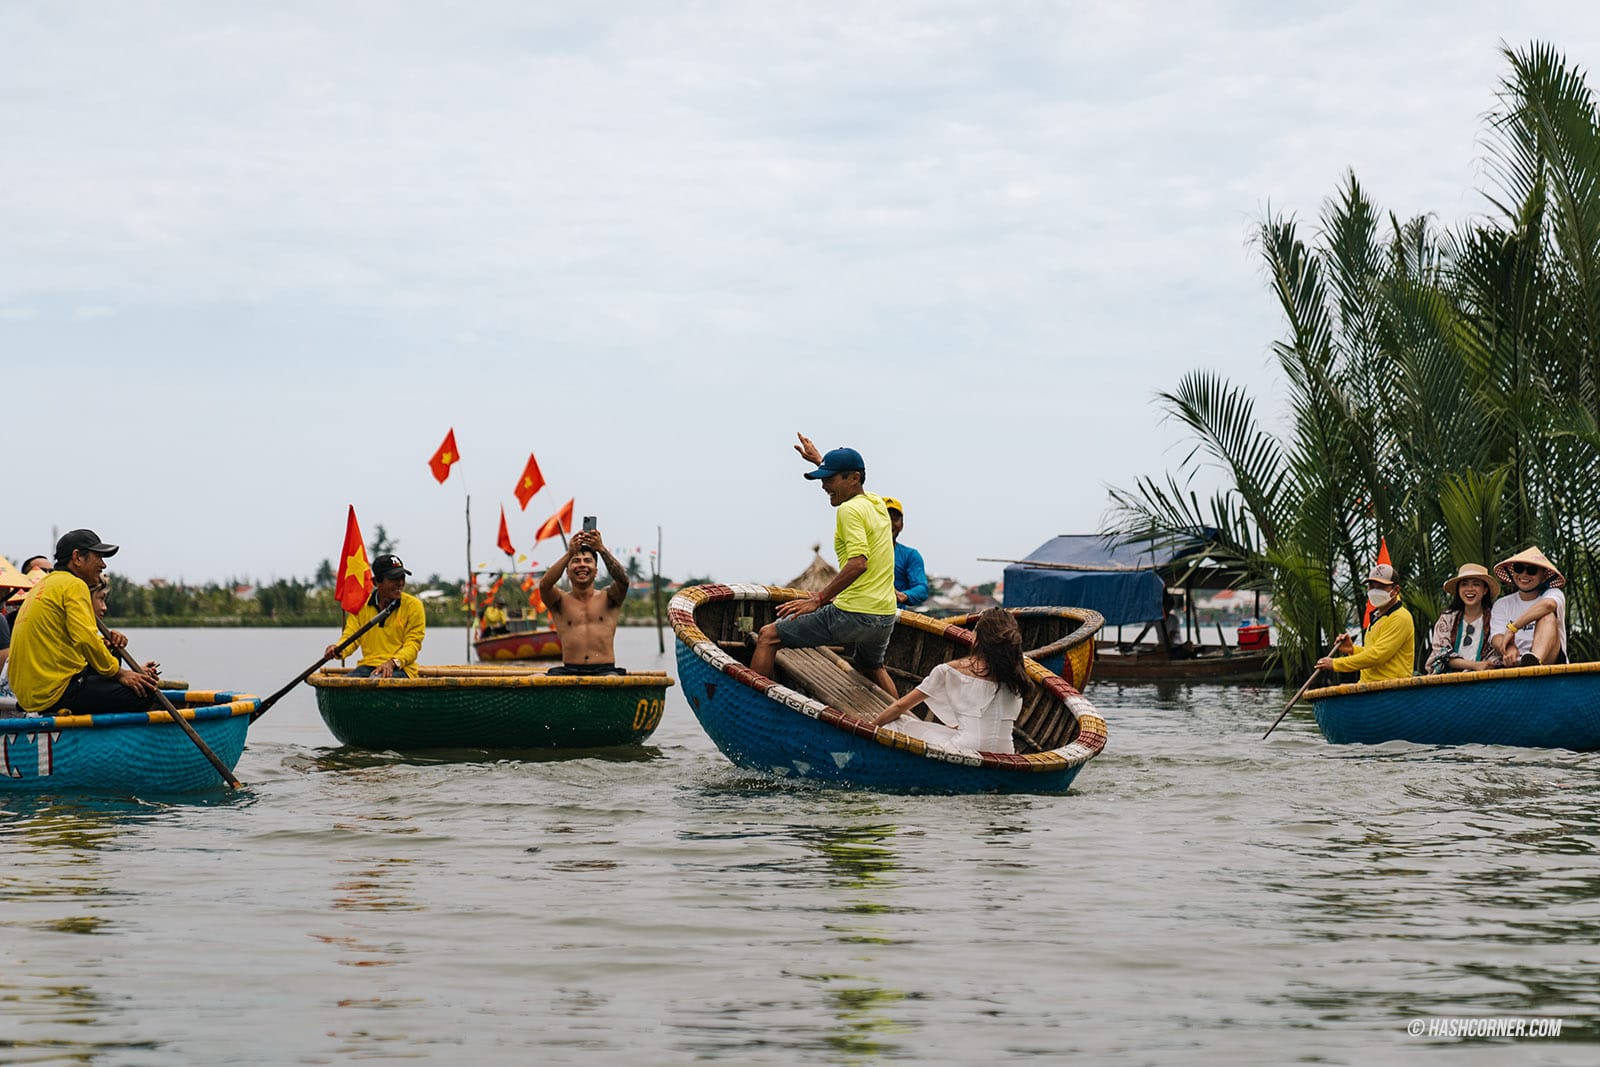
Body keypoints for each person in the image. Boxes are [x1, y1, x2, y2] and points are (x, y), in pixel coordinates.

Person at [750, 434, 899, 698]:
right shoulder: (876, 503)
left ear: (853, 478)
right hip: (885, 616)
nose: (823, 486)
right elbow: (855, 476)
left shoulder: (849, 510)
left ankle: (756, 706)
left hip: (854, 614)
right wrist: (821, 461)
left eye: (829, 479)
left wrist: (818, 599)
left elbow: (858, 564)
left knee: (767, 636)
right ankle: (904, 723)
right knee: (871, 665)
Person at [8, 529, 160, 715]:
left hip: (30, 694)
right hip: (54, 693)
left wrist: (124, 669)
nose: (103, 565)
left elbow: (78, 642)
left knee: (112, 653)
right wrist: (121, 674)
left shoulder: (44, 585)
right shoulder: (74, 585)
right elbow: (85, 639)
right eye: (99, 557)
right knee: (144, 693)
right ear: (77, 557)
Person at [872, 607, 1030, 753]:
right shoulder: (1017, 675)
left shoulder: (950, 670)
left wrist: (870, 729)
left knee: (897, 722)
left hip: (965, 748)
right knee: (953, 730)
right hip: (1006, 752)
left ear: (978, 637)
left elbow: (900, 706)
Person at [539, 527, 630, 675]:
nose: (582, 565)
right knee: (536, 677)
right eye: (576, 561)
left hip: (605, 671)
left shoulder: (609, 597)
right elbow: (544, 585)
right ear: (567, 571)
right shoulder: (560, 601)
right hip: (569, 670)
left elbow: (623, 581)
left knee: (611, 681)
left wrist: (601, 549)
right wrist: (569, 553)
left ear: (595, 570)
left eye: (587, 561)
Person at [324, 554, 426, 678]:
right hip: (367, 667)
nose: (400, 583)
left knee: (376, 680)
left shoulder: (413, 606)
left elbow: (413, 644)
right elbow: (351, 636)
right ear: (377, 582)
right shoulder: (361, 605)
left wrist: (392, 662)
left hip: (401, 668)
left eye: (402, 578)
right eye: (394, 579)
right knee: (345, 683)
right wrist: (338, 649)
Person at [1316, 563, 1415, 682]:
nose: (1375, 591)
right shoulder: (1376, 616)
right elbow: (1372, 651)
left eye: (1381, 587)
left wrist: (1336, 664)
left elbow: (1377, 656)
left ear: (1396, 590)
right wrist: (1352, 650)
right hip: (1369, 686)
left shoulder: (1400, 617)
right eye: (1372, 586)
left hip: (1392, 688)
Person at [1489, 546, 1568, 668]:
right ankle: (1526, 662)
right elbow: (1496, 636)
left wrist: (1513, 628)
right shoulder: (1502, 603)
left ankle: (1534, 660)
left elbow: (1548, 605)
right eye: (1519, 569)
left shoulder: (1553, 594)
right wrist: (1508, 647)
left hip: (1550, 661)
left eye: (1532, 570)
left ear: (1543, 575)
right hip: (1515, 661)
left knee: (1547, 615)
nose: (1524, 575)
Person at [1425, 563, 1503, 674]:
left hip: (1484, 682)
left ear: (1485, 590)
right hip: (1447, 682)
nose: (1469, 589)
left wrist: (1481, 668)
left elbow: (1496, 657)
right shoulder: (1447, 619)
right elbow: (1441, 653)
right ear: (1458, 589)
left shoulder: (1495, 619)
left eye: (1476, 584)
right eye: (1464, 584)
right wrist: (1474, 665)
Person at [880, 496, 928, 608]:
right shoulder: (862, 551)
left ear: (901, 525)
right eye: (884, 518)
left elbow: (921, 588)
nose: (890, 523)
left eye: (895, 519)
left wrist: (904, 595)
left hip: (893, 617)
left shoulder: (910, 555)